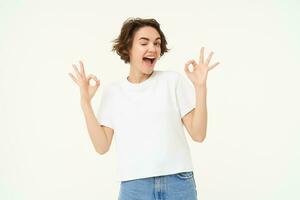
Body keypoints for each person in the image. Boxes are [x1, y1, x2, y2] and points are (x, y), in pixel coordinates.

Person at [68, 17, 219, 200]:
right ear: (127, 48)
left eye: (157, 43)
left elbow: (198, 134)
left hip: (178, 182)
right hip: (135, 187)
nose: (153, 49)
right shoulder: (113, 92)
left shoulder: (173, 81)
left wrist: (200, 87)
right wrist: (85, 102)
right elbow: (101, 146)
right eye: (144, 42)